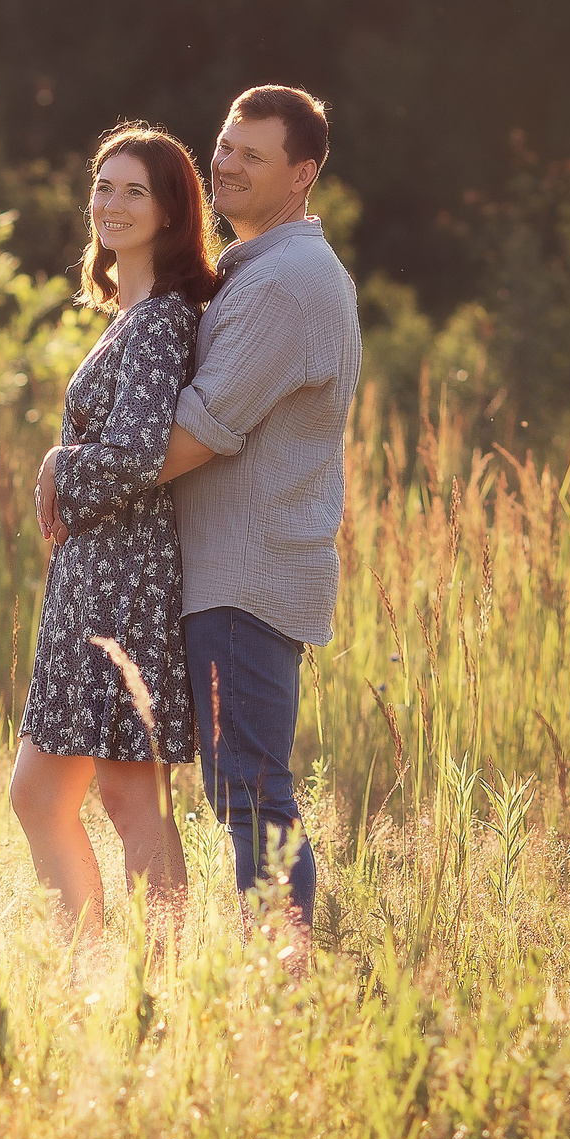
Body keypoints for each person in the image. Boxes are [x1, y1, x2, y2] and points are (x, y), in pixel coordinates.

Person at [154, 85, 359, 935]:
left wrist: (83, 480)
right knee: (244, 783)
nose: (227, 164)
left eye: (253, 154)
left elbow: (201, 431)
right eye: (225, 146)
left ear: (301, 175)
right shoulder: (262, 270)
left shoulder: (286, 283)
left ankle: (285, 979)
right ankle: (281, 968)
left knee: (249, 788)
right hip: (237, 572)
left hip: (247, 576)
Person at [14, 125, 221, 940]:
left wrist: (58, 467)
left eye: (135, 189)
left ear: (173, 210)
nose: (112, 203)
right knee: (39, 794)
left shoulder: (164, 320)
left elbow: (138, 453)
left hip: (126, 579)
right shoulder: (130, 315)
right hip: (88, 577)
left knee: (131, 795)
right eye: (104, 186)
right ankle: (89, 965)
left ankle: (162, 978)